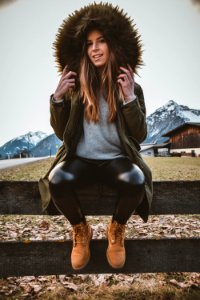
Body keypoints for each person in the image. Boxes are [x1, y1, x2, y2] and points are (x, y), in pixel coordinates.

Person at [39, 3, 153, 271]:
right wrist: (57, 99)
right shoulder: (76, 86)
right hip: (81, 160)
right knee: (57, 180)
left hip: (116, 160)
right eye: (89, 43)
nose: (95, 48)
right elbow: (61, 132)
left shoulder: (131, 86)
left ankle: (117, 229)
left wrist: (129, 99)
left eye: (101, 41)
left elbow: (140, 134)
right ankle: (81, 231)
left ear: (113, 44)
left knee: (136, 180)